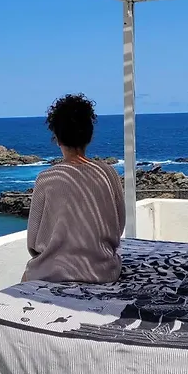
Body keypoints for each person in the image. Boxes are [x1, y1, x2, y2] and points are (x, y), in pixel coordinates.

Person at [22, 94, 126, 284]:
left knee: (25, 277)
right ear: (89, 136)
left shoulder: (46, 178)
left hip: (53, 272)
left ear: (57, 138)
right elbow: (119, 226)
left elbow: (33, 242)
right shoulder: (108, 173)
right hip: (103, 271)